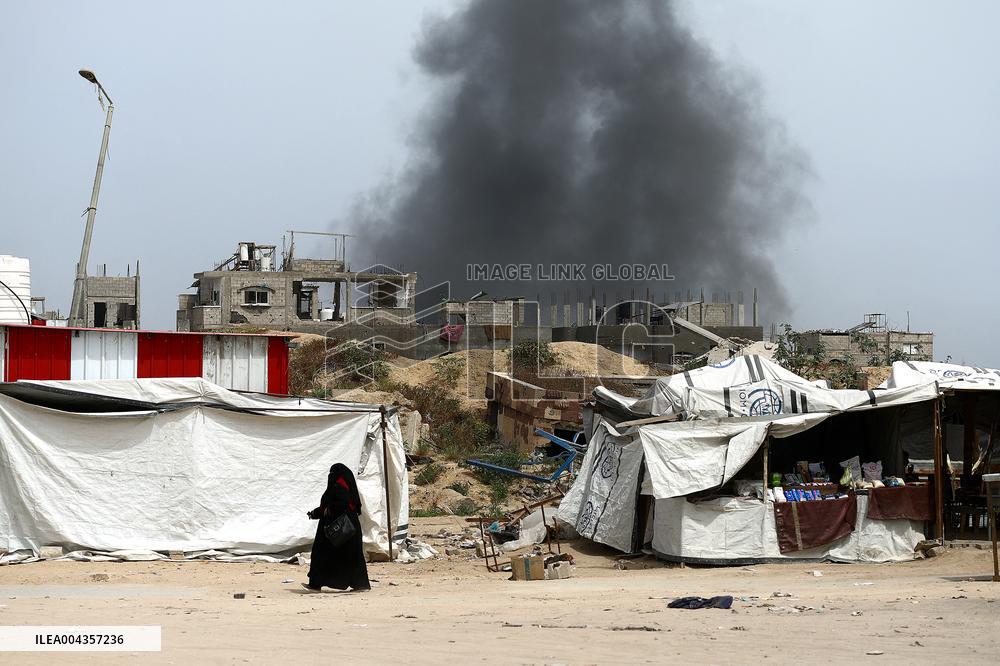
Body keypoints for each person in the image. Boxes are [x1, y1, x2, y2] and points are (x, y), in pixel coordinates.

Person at [303, 463, 370, 592]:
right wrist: (316, 513)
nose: (330, 476)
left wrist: (328, 511)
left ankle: (316, 584)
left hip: (337, 531)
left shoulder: (339, 485)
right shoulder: (344, 485)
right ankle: (360, 585)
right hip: (350, 530)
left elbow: (339, 504)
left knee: (321, 555)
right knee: (352, 558)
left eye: (332, 473)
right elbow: (330, 505)